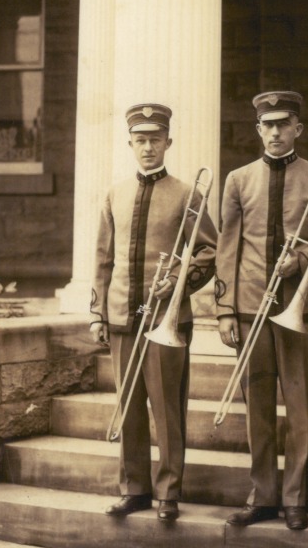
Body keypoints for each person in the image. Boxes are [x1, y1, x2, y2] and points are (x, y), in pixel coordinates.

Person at [215, 91, 308, 531]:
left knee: (299, 410)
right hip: (251, 310)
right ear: (258, 130)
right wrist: (225, 311)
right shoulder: (238, 180)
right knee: (256, 407)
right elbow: (227, 250)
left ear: (298, 129)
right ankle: (263, 495)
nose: (275, 132)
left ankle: (295, 497)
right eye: (267, 125)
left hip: (302, 312)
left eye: (283, 124)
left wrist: (304, 260)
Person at [91, 102, 218, 522]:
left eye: (155, 140)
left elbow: (208, 251)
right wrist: (97, 314)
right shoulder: (115, 193)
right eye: (140, 140)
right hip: (124, 315)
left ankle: (168, 492)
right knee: (128, 406)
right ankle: (134, 489)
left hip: (166, 317)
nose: (148, 147)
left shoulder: (186, 193)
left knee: (166, 409)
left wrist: (180, 278)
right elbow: (103, 260)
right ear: (130, 143)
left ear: (168, 142)